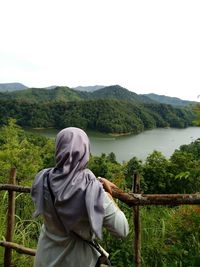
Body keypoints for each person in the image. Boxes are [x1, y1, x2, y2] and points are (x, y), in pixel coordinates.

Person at [31, 127, 129, 267]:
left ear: (58, 148)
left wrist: (97, 180)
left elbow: (69, 182)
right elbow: (123, 229)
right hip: (76, 261)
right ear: (85, 151)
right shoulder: (93, 191)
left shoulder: (43, 179)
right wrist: (108, 196)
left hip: (44, 258)